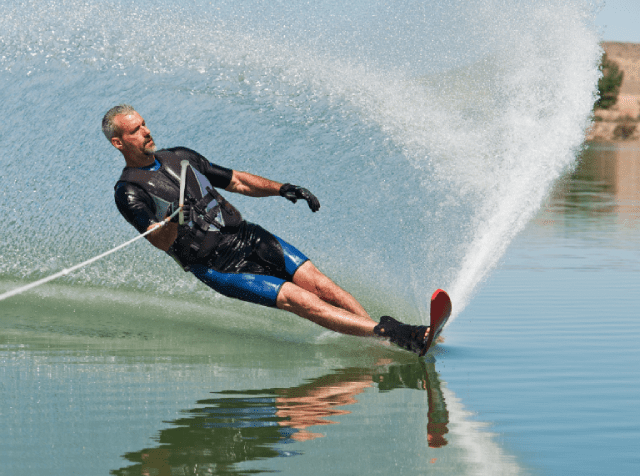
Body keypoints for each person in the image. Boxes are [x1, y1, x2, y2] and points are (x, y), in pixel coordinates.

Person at [102, 104, 430, 352]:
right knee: (300, 300)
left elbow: (238, 181)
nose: (146, 132)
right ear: (119, 142)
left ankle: (383, 342)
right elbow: (158, 242)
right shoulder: (129, 191)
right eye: (135, 131)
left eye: (144, 124)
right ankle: (396, 334)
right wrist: (174, 219)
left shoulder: (180, 156)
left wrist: (282, 188)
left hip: (247, 236)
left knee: (322, 286)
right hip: (217, 265)